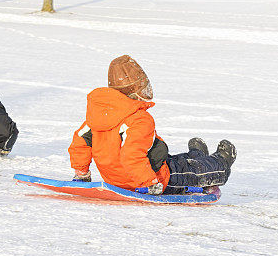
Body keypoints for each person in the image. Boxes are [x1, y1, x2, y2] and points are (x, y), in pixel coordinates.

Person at [68, 55, 236, 195]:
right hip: (152, 178)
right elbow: (131, 155)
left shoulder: (97, 116)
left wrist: (81, 173)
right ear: (135, 91)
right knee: (191, 171)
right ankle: (221, 162)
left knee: (174, 160)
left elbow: (80, 144)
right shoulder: (139, 119)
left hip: (118, 180)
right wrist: (149, 183)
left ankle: (197, 154)